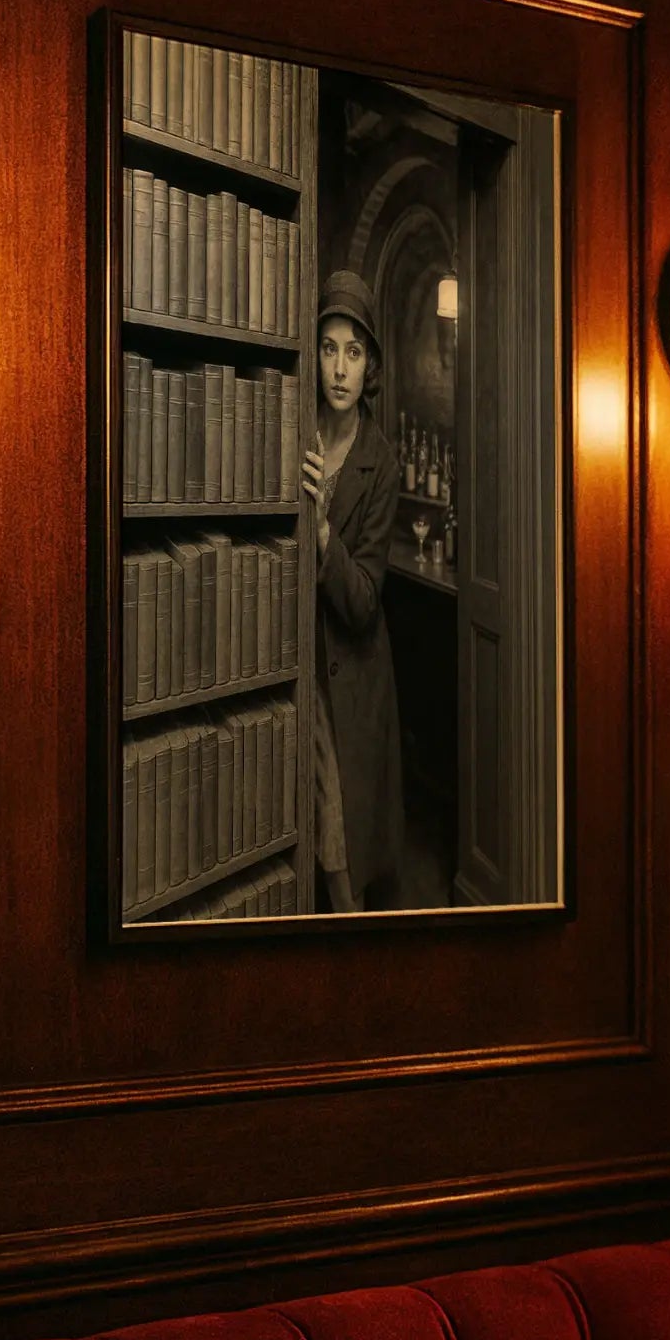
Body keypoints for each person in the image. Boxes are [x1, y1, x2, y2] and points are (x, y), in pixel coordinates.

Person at [301, 271, 404, 911]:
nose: (340, 369)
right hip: (292, 658)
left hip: (349, 675)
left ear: (370, 367)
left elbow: (364, 600)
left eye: (355, 351)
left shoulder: (382, 461)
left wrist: (319, 533)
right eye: (329, 348)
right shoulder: (290, 427)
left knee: (337, 835)